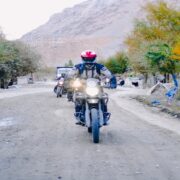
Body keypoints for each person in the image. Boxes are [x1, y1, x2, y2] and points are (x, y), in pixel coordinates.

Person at [68, 50, 117, 125]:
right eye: (87, 59)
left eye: (90, 59)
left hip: (97, 86)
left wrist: (112, 82)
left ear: (94, 58)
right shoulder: (78, 67)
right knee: (78, 100)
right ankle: (78, 115)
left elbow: (109, 74)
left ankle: (104, 116)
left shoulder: (99, 67)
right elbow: (70, 74)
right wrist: (69, 81)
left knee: (103, 100)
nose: (88, 60)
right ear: (83, 58)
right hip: (82, 87)